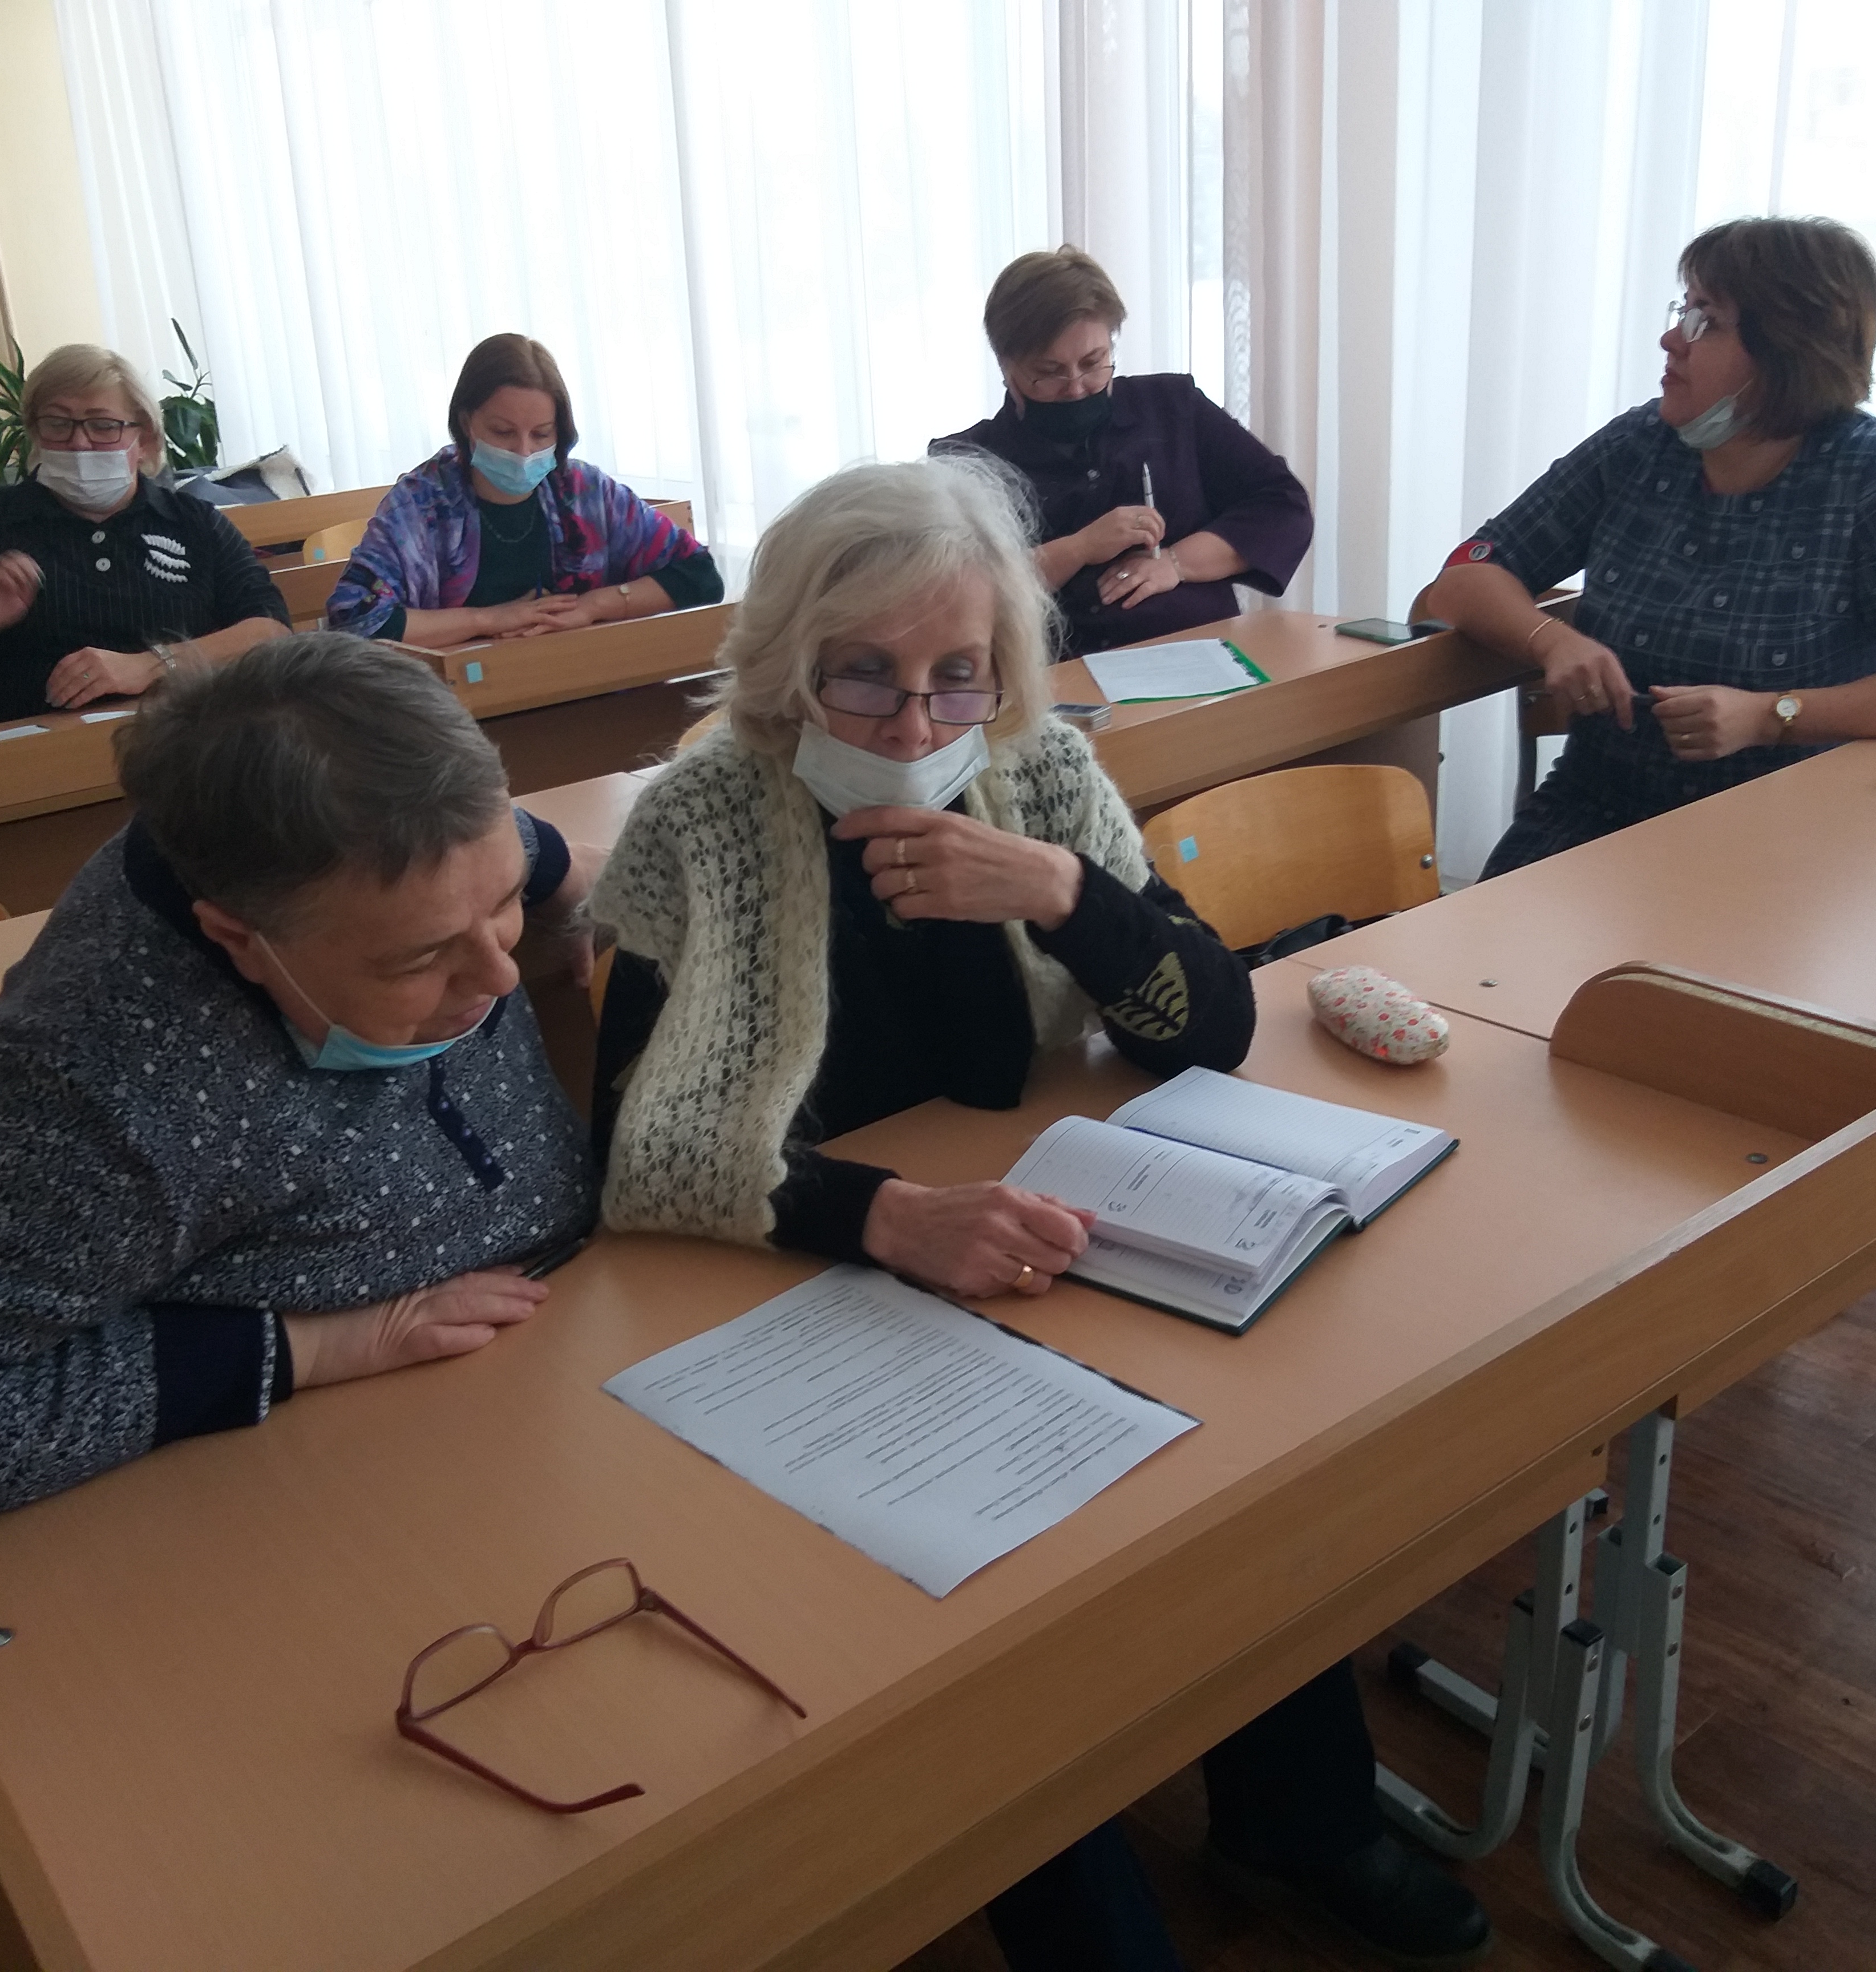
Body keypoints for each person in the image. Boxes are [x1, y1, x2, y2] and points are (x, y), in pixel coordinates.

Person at [588, 455, 1490, 1972]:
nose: (915, 726)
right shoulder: (707, 818)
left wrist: (1068, 896)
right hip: (797, 1283)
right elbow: (636, 1151)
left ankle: (1299, 1819)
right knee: (993, 1610)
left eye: (959, 674)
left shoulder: (1040, 771)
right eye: (862, 678)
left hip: (1029, 1235)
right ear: (787, 664)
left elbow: (1208, 1027)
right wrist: (886, 1218)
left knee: (1231, 1478)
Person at [0, 635, 600, 1538]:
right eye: (420, 960)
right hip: (339, 1476)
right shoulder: (102, 1091)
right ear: (238, 937)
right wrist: (313, 1348)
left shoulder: (405, 835)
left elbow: (506, 855)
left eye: (501, 901)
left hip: (578, 1334)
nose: (498, 977)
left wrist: (558, 886)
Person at [1417, 216, 1876, 877]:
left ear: (1785, 352)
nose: (1672, 339)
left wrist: (1770, 715)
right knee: (1476, 944)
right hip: (1596, 810)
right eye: (1684, 312)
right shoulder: (1640, 446)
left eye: (1706, 322)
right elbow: (1466, 576)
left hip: (1792, 837)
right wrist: (1551, 640)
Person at [934, 246, 1311, 656]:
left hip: (1200, 658)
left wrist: (1176, 564)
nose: (1077, 388)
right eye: (1049, 372)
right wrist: (1078, 548)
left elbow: (1282, 505)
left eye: (1093, 362)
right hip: (1057, 675)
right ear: (1007, 368)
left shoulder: (1173, 406)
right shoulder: (968, 460)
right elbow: (954, 592)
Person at [0, 343, 290, 726]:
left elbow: (270, 629)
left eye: (103, 426)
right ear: (34, 433)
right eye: (58, 424)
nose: (79, 442)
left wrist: (151, 665)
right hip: (27, 747)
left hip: (180, 738)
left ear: (145, 440)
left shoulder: (194, 524)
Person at [326, 333, 721, 650]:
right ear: (466, 423)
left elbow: (700, 577)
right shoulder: (422, 505)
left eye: (542, 434)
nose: (524, 451)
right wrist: (486, 619)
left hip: (588, 683)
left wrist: (592, 606)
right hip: (459, 706)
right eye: (503, 432)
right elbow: (355, 620)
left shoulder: (585, 493)